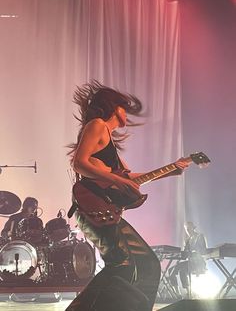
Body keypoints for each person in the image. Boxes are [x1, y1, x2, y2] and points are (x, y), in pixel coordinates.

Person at [66, 80, 189, 311]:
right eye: (123, 108)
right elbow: (79, 163)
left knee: (148, 264)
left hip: (105, 211)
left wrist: (171, 170)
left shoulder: (107, 139)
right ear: (114, 107)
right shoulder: (97, 124)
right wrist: (116, 180)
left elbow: (130, 178)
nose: (126, 114)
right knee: (120, 264)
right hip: (92, 209)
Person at [169, 221, 207, 298]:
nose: (188, 230)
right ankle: (177, 293)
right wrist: (177, 254)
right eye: (187, 229)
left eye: (189, 228)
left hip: (198, 263)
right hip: (190, 261)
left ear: (193, 228)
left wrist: (194, 252)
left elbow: (203, 250)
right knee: (171, 270)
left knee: (183, 270)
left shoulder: (200, 236)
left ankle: (188, 292)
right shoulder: (188, 240)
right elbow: (185, 254)